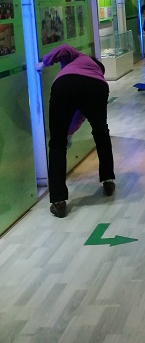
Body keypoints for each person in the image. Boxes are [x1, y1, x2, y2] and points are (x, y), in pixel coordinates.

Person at [35, 44, 115, 218]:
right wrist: (70, 132)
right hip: (97, 88)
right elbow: (81, 115)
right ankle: (108, 180)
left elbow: (64, 48)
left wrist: (44, 63)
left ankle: (58, 202)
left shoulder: (78, 57)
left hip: (64, 85)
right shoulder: (96, 75)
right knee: (101, 133)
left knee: (57, 144)